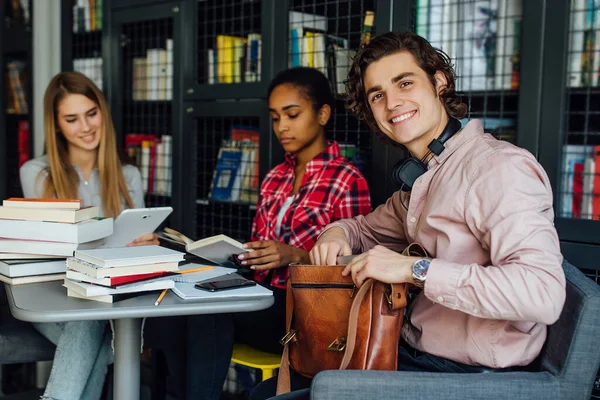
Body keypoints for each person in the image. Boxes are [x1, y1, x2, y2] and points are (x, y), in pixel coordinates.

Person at [258, 30, 567, 399]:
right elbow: (360, 228)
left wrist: (413, 270)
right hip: (409, 355)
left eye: (404, 82)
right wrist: (335, 234)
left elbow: (543, 294)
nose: (392, 103)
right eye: (377, 95)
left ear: (439, 82)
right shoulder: (428, 174)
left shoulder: (497, 168)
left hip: (467, 377)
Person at [168, 67, 371, 400]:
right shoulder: (274, 177)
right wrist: (241, 255)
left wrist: (296, 255)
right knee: (175, 313)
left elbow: (350, 270)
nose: (282, 127)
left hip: (305, 315)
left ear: (322, 114)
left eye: (292, 114)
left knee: (209, 315)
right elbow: (259, 249)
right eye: (275, 117)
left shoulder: (347, 179)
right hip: (259, 294)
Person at [19, 71, 159, 400]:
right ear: (56, 125)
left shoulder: (129, 175)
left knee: (90, 318)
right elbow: (49, 254)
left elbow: (133, 250)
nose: (85, 127)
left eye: (91, 114)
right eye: (72, 119)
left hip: (108, 297)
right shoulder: (36, 174)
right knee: (90, 321)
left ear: (102, 112)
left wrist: (145, 245)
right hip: (50, 295)